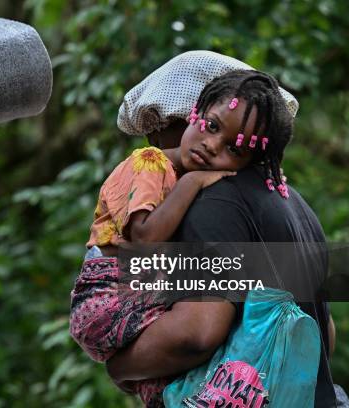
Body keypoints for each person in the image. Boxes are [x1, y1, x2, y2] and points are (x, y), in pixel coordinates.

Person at [70, 68, 296, 407]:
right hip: (108, 298)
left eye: (233, 150)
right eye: (213, 126)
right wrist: (193, 182)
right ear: (195, 112)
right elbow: (144, 241)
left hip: (143, 300)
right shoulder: (151, 163)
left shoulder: (202, 188)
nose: (211, 146)